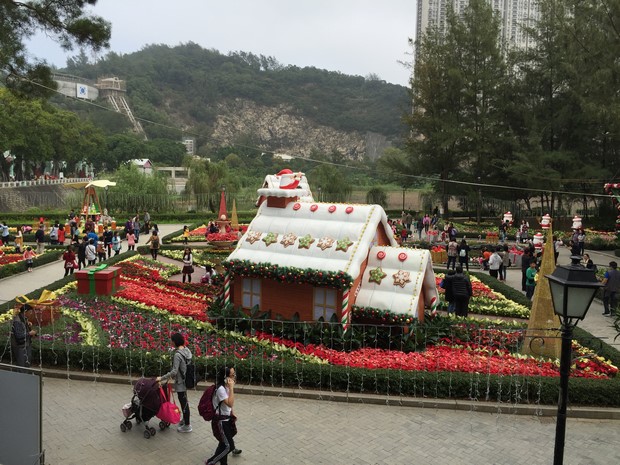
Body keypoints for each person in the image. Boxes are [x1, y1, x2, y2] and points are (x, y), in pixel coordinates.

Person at [156, 333, 193, 433]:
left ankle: (187, 425)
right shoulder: (186, 350)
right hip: (187, 379)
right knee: (184, 401)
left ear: (174, 342)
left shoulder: (177, 355)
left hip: (181, 382)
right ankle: (185, 420)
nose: (170, 342)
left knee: (183, 402)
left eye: (171, 340)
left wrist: (162, 378)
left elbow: (174, 371)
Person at [206, 366, 238, 465]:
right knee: (229, 446)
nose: (234, 377)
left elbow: (228, 406)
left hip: (226, 419)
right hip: (220, 421)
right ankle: (211, 462)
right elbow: (230, 403)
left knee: (223, 443)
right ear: (226, 378)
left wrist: (232, 413)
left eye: (234, 374)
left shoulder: (226, 387)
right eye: (232, 375)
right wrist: (232, 388)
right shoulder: (220, 389)